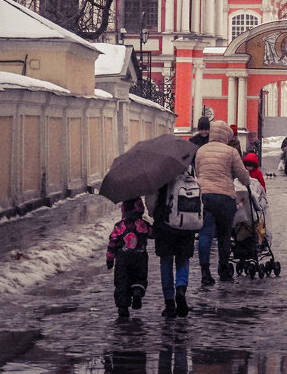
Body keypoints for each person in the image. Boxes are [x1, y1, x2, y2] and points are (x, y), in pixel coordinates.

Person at [194, 120, 253, 284]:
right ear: (226, 134)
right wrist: (247, 181)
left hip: (205, 197)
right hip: (225, 197)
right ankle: (224, 268)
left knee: (205, 234)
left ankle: (205, 272)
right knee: (224, 235)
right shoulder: (231, 152)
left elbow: (198, 172)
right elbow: (242, 174)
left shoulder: (201, 151)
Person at [145, 182, 197, 319]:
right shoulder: (188, 171)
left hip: (165, 223)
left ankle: (169, 303)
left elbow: (151, 202)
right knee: (183, 259)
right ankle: (181, 288)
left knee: (166, 261)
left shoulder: (160, 175)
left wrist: (154, 213)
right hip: (186, 222)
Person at [105, 198, 153, 318]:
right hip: (140, 257)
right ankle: (137, 292)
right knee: (139, 278)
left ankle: (123, 307)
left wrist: (110, 258)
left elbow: (112, 243)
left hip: (123, 258)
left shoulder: (119, 226)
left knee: (122, 281)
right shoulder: (143, 225)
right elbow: (153, 234)